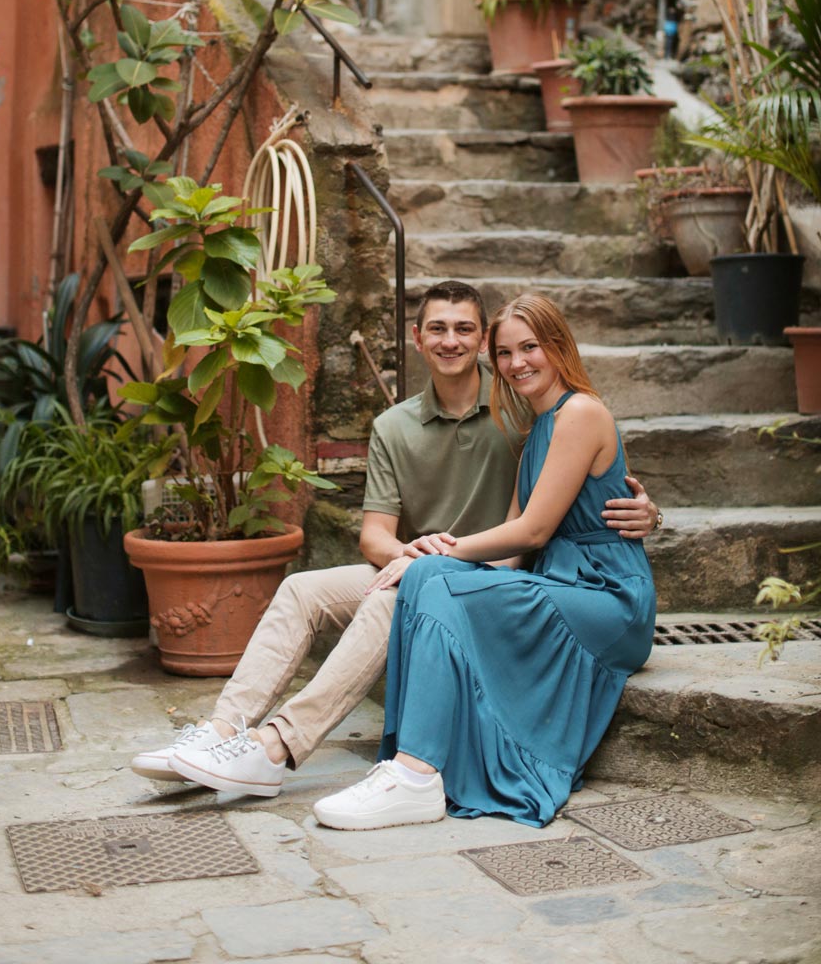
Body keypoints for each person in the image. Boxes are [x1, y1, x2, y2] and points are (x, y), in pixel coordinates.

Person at [130, 281, 660, 798]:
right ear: (417, 337)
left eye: (465, 330)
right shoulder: (395, 425)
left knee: (396, 598)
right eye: (437, 328)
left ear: (481, 341)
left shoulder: (522, 404)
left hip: (485, 569)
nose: (451, 341)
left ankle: (277, 746)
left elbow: (592, 477)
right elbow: (373, 536)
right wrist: (411, 553)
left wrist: (650, 513)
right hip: (433, 562)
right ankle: (221, 732)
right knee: (301, 589)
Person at [312, 293, 656, 832]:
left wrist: (441, 552)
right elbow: (514, 553)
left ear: (558, 346)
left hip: (609, 598)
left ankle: (415, 775)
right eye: (504, 353)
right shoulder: (536, 430)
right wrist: (436, 568)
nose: (517, 363)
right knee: (431, 579)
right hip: (563, 584)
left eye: (530, 348)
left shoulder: (581, 413)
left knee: (435, 574)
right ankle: (410, 769)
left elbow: (533, 530)